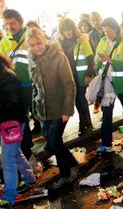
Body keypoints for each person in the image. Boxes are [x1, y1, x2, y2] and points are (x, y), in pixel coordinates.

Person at [27, 27, 79, 188]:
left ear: (45, 40)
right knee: (53, 144)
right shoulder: (33, 59)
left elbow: (69, 85)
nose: (37, 47)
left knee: (55, 142)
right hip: (44, 110)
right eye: (33, 45)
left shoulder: (58, 57)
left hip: (59, 108)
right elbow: (35, 86)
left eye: (39, 43)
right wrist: (35, 109)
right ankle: (69, 167)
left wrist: (66, 110)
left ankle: (67, 172)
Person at [0, 45, 35, 208]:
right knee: (15, 154)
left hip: (11, 124)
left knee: (7, 159)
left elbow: (13, 104)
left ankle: (9, 197)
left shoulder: (8, 77)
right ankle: (29, 177)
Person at [95, 17, 123, 153]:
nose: (107, 33)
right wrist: (98, 62)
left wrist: (111, 61)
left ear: (116, 29)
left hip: (122, 83)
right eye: (105, 31)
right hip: (107, 83)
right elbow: (97, 62)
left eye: (109, 31)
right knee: (106, 113)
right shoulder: (102, 42)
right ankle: (106, 143)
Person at [0, 9, 35, 160]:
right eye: (7, 24)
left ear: (20, 22)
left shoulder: (32, 37)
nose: (10, 27)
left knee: (41, 114)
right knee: (22, 117)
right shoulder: (4, 41)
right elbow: (2, 65)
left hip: (34, 84)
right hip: (16, 88)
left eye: (13, 23)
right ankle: (27, 148)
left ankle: (50, 142)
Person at [58, 18, 94, 136]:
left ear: (74, 29)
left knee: (80, 98)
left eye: (69, 29)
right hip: (69, 75)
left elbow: (90, 58)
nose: (67, 32)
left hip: (81, 75)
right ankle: (86, 122)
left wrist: (89, 75)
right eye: (64, 30)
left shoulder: (82, 40)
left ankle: (83, 123)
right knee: (78, 99)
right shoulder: (60, 43)